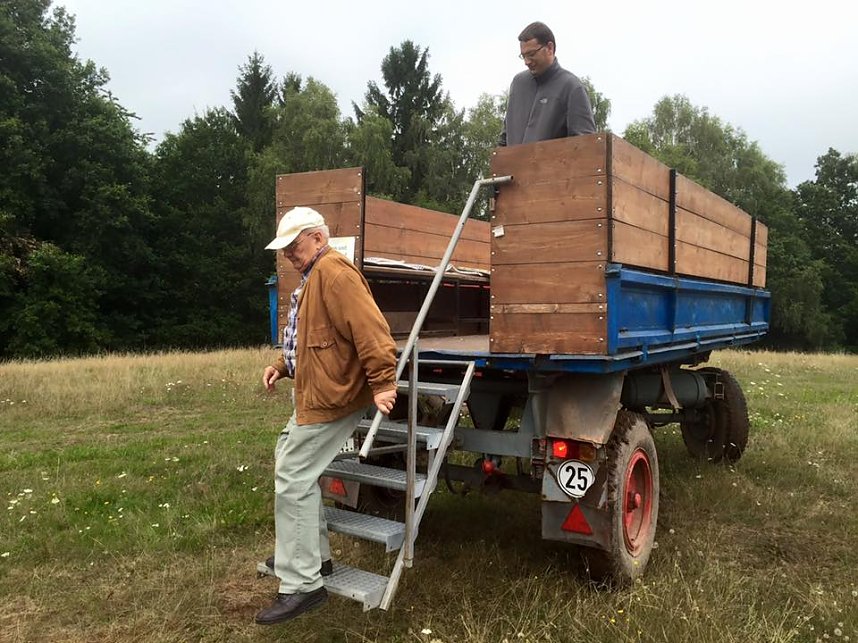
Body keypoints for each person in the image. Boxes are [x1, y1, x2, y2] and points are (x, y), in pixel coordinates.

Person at [255, 206, 397, 625]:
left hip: (333, 397)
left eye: (293, 246)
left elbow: (371, 330)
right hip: (316, 395)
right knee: (289, 460)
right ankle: (312, 558)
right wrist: (281, 366)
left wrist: (383, 382)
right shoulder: (314, 275)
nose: (288, 255)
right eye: (284, 249)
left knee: (293, 475)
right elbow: (308, 337)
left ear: (317, 237)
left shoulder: (335, 274)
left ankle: (303, 583)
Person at [499, 21, 596, 146]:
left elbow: (585, 146)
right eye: (523, 56)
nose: (526, 62)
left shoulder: (572, 87)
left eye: (531, 54)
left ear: (550, 48)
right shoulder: (518, 84)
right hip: (514, 160)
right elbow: (504, 139)